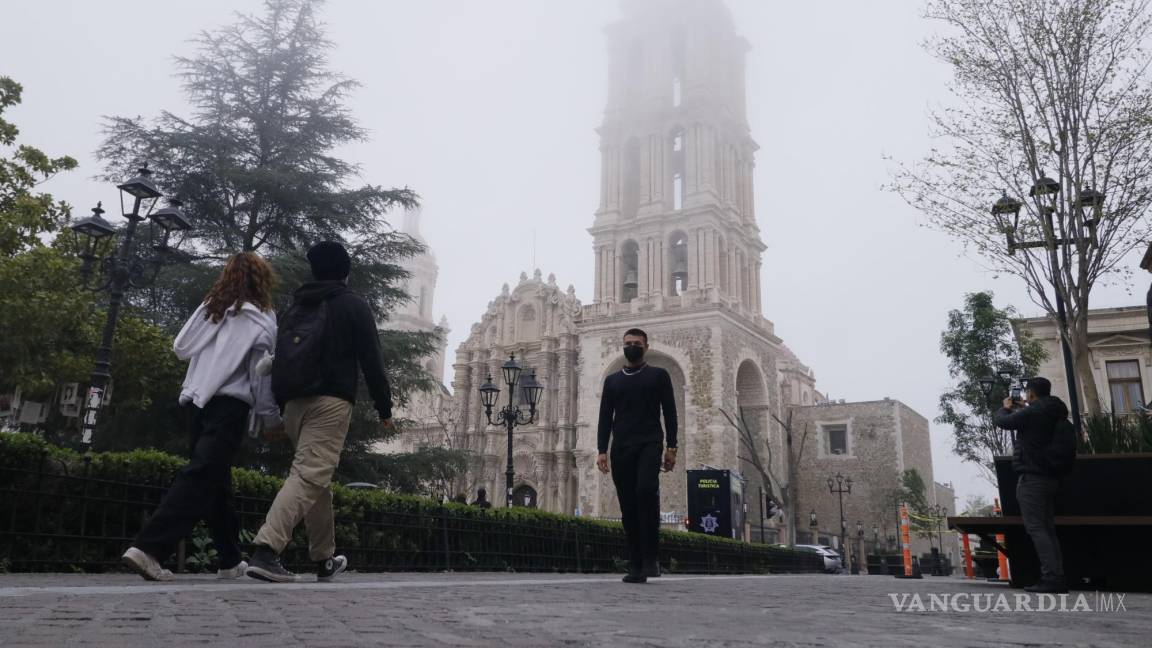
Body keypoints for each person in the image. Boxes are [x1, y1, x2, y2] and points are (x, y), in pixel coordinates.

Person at [122, 252, 281, 581]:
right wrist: (269, 418)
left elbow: (181, 346)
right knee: (201, 476)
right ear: (262, 280)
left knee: (214, 480)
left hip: (196, 401)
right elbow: (260, 375)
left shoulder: (213, 308)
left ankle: (229, 558)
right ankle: (149, 549)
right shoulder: (262, 319)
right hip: (229, 405)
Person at [246, 241, 393, 583]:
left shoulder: (295, 306)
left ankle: (324, 557)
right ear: (345, 271)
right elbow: (372, 360)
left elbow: (279, 358)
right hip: (330, 402)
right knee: (309, 475)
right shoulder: (353, 305)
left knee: (317, 478)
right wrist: (384, 408)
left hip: (294, 403)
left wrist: (278, 407)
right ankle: (266, 549)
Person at [597, 328, 677, 584]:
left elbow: (670, 412)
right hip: (621, 446)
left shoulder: (659, 376)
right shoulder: (612, 381)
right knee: (628, 505)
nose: (631, 346)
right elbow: (604, 418)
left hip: (650, 442)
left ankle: (651, 557)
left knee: (645, 490)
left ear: (646, 346)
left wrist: (672, 447)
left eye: (636, 343)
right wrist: (601, 450)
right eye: (628, 343)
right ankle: (636, 563)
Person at [993, 376, 1069, 594]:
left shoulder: (1034, 412)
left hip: (1033, 477)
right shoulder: (1053, 410)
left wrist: (1004, 408)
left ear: (1032, 393)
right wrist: (1027, 407)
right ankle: (1057, 574)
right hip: (1051, 477)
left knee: (1036, 527)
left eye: (1027, 394)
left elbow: (1003, 422)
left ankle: (1051, 577)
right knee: (1047, 528)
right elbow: (1034, 418)